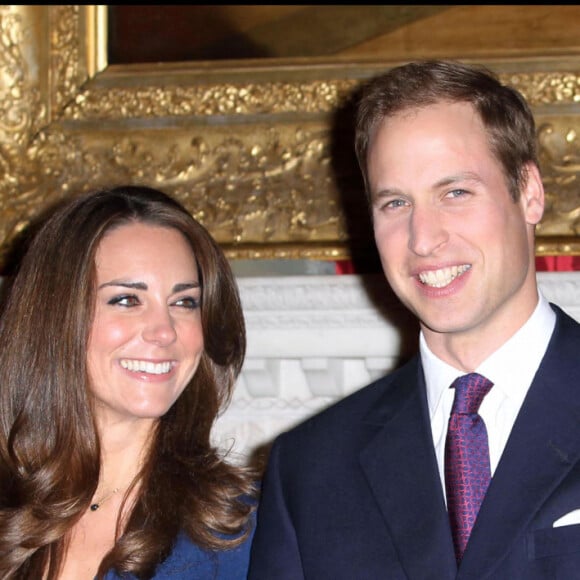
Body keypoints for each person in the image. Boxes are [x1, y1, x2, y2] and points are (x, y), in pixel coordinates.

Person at [248, 59, 580, 579]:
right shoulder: (309, 467)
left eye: (455, 193)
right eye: (396, 202)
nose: (423, 238)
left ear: (530, 192)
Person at [0, 185, 256, 579]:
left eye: (184, 302)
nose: (164, 330)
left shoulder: (239, 532)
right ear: (56, 319)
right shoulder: (11, 504)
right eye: (126, 300)